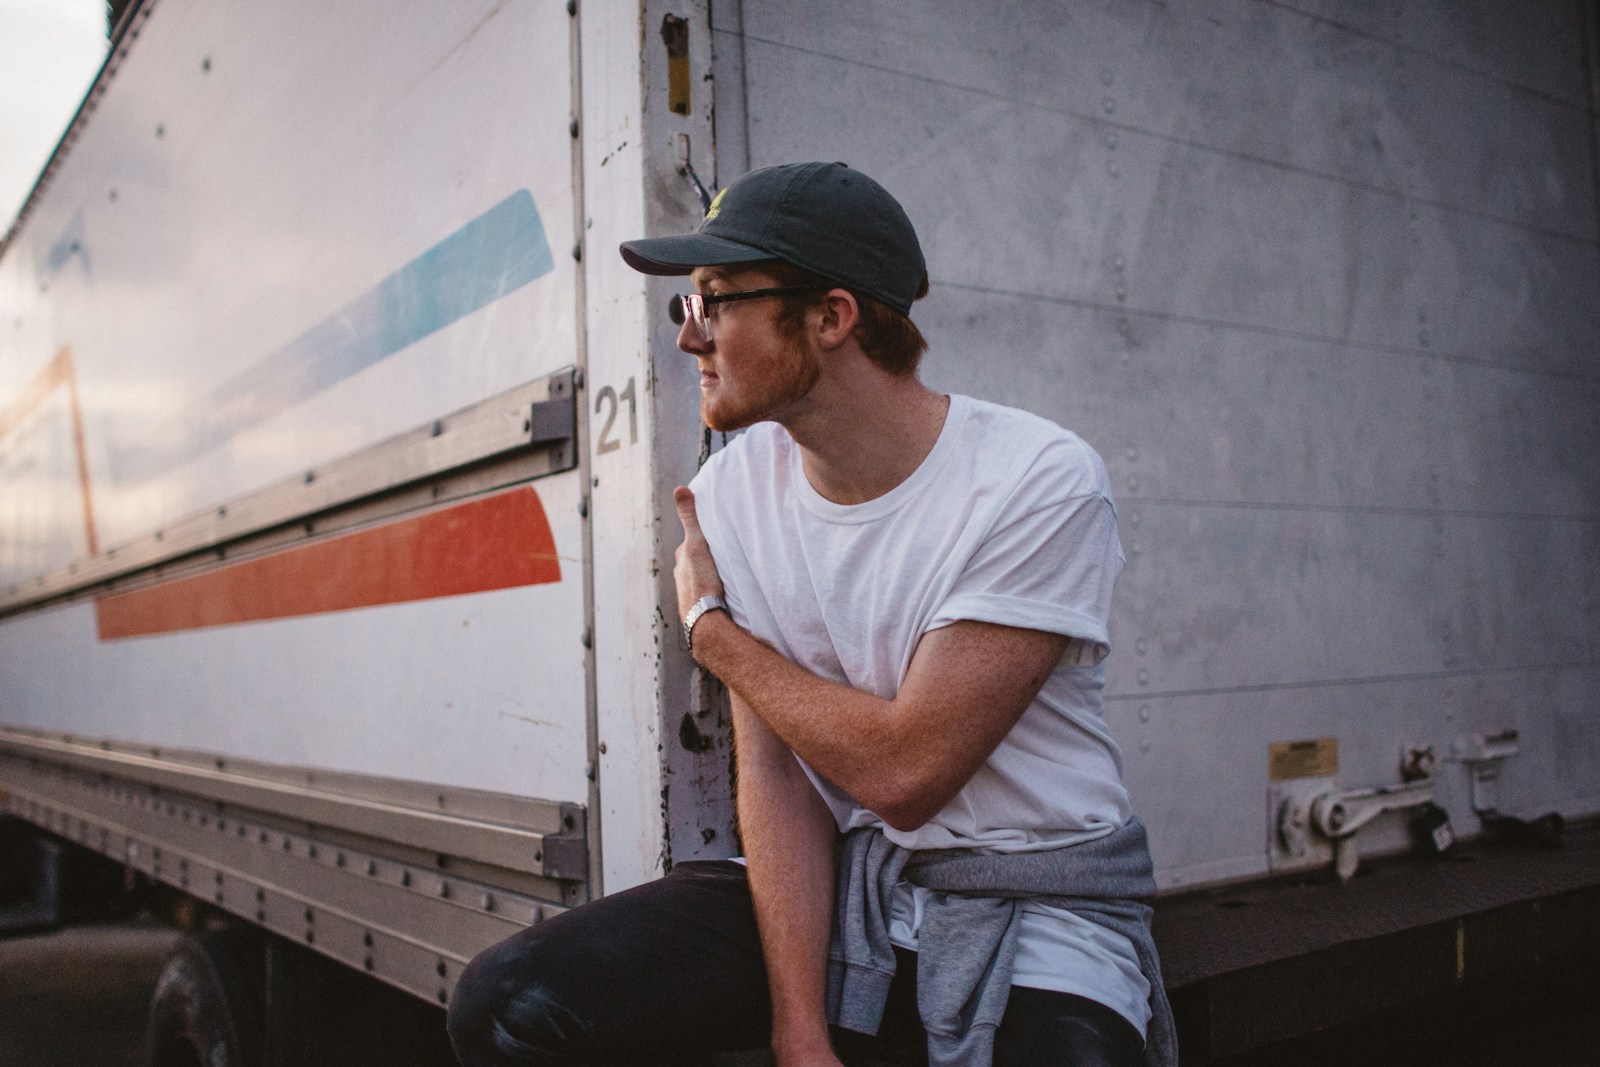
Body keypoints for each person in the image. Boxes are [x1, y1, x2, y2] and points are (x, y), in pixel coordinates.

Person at [447, 161, 1174, 1067]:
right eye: (688, 305)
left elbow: (908, 772)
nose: (690, 339)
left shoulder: (1035, 481)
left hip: (1033, 902)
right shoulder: (732, 494)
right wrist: (800, 1035)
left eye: (714, 301)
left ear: (832, 317)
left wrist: (714, 635)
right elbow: (782, 781)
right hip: (847, 895)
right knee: (510, 1005)